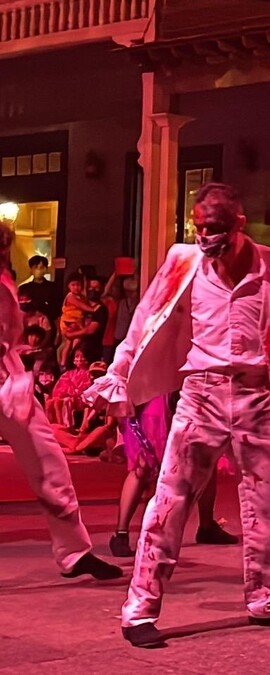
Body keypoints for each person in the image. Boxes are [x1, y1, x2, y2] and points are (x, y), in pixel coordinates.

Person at [86, 182, 270, 648]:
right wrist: (117, 376)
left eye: (215, 228)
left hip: (256, 397)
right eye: (200, 227)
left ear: (239, 224)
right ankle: (139, 610)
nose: (206, 236)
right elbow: (144, 319)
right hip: (200, 395)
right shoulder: (183, 261)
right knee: (169, 501)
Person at [0, 214, 121, 581]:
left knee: (49, 462)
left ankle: (74, 552)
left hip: (11, 383)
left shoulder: (5, 280)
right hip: (9, 382)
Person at [108, 394, 237, 559]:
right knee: (143, 465)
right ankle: (121, 533)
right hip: (153, 400)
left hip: (185, 398)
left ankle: (206, 525)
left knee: (205, 457)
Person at [47, 348, 92, 430]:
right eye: (77, 356)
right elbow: (61, 386)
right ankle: (56, 425)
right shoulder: (69, 373)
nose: (79, 359)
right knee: (52, 401)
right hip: (69, 395)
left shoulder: (89, 373)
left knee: (65, 401)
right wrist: (65, 393)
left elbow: (85, 388)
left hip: (81, 398)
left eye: (82, 356)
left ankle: (67, 427)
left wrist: (72, 392)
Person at [76, 276, 109, 363]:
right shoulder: (82, 306)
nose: (93, 290)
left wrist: (71, 334)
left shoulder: (101, 309)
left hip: (92, 350)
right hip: (78, 348)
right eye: (90, 287)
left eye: (96, 288)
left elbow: (90, 330)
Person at [18, 254, 59, 320]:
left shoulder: (53, 287)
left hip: (48, 321)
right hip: (28, 322)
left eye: (41, 267)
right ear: (31, 269)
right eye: (35, 267)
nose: (38, 270)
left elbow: (57, 308)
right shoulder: (24, 288)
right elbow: (21, 307)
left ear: (46, 269)